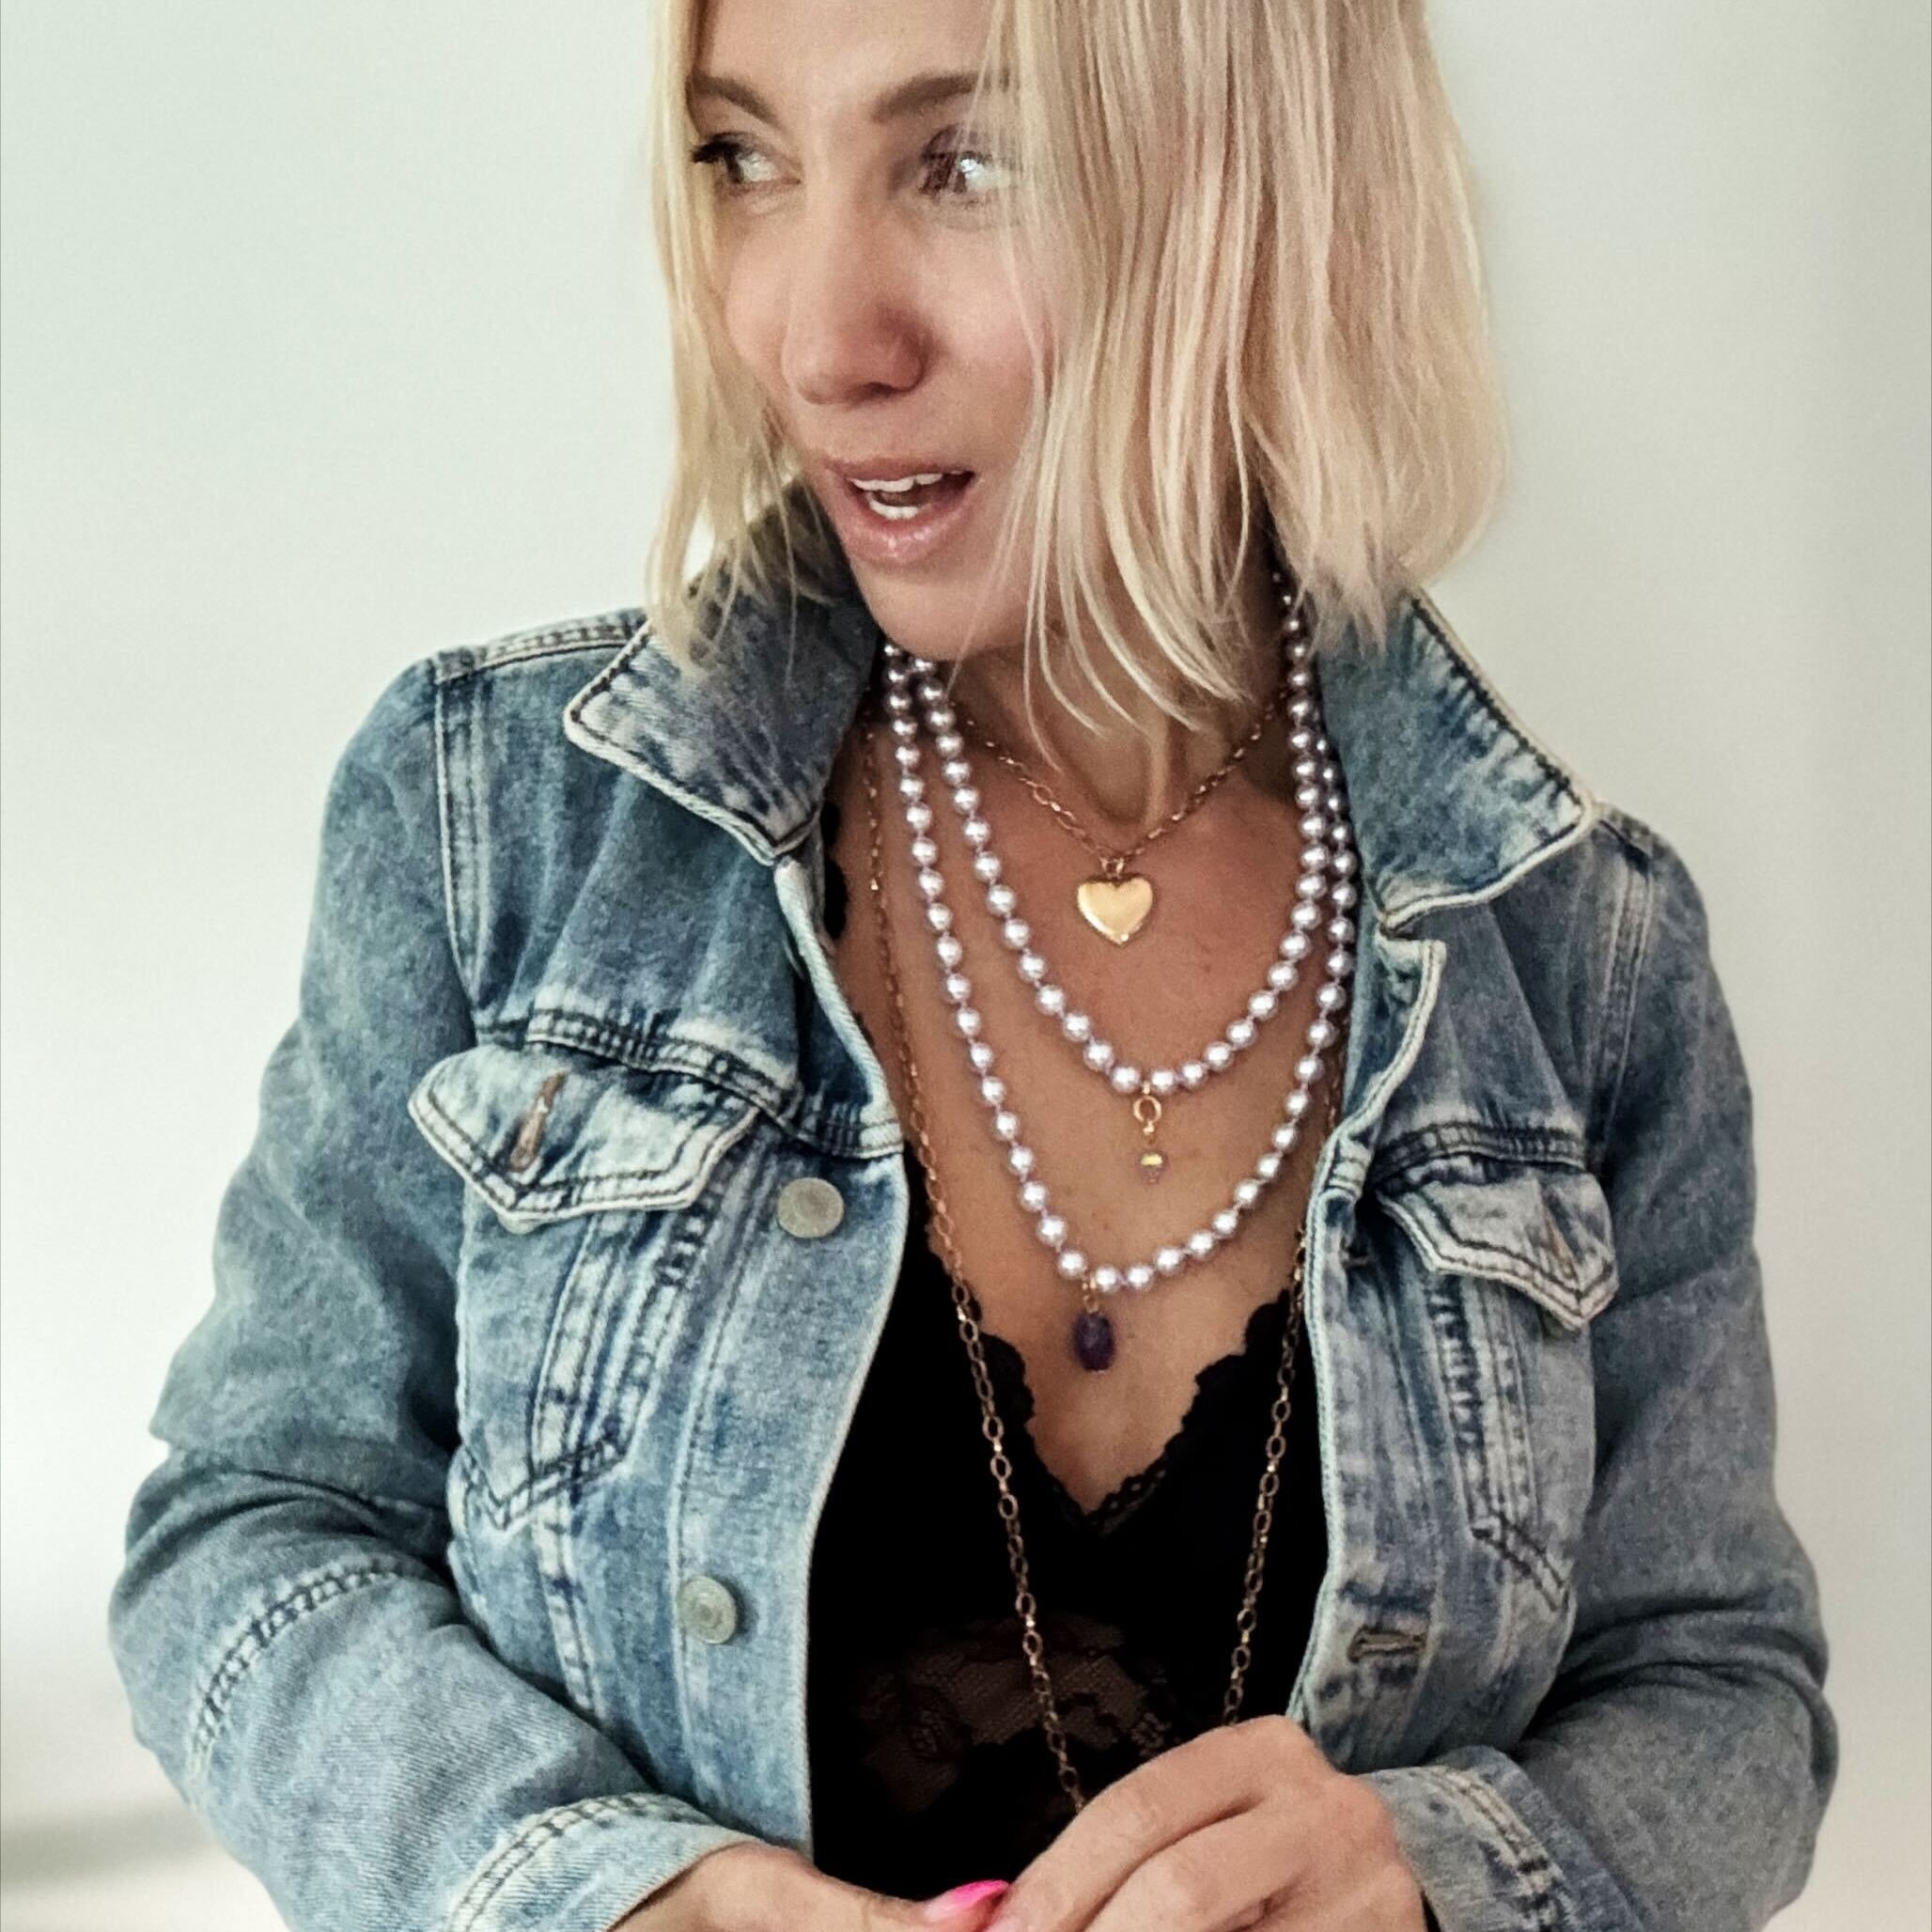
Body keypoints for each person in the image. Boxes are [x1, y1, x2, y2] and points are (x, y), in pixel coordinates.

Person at [108, 0, 1836, 1927]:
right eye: (742, 159)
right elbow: (251, 1537)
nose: (818, 341)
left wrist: (1427, 1871)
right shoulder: (498, 821)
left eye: (964, 163)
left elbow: (1713, 1689)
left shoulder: (1573, 944)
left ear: (1250, 189)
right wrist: (625, 1899)